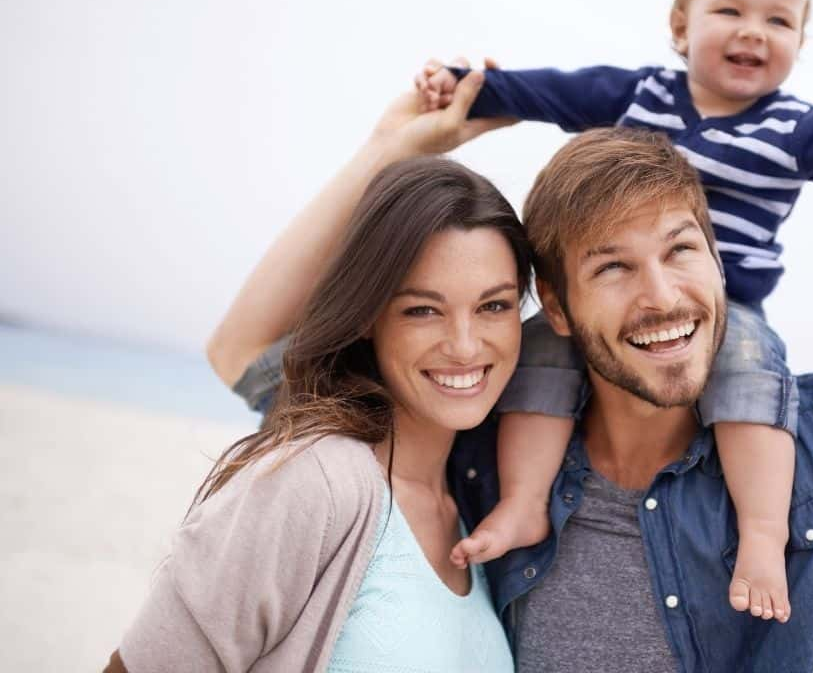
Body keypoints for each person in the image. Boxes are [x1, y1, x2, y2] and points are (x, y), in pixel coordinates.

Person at [230, 93, 813, 671]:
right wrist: (386, 152)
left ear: (719, 259)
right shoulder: (475, 431)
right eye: (611, 268)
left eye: (682, 250)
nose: (661, 297)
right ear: (554, 306)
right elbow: (253, 353)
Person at [412, 0, 813, 622]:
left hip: (730, 308)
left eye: (779, 21)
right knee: (542, 347)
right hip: (618, 305)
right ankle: (522, 504)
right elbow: (545, 91)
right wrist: (467, 88)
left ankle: (761, 535)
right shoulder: (637, 95)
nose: (754, 31)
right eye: (731, 12)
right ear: (681, 27)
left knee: (751, 377)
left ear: (800, 43)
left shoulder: (796, 129)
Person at [106, 73, 525, 673]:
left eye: (493, 305)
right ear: (367, 319)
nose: (464, 345)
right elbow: (240, 348)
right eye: (422, 309)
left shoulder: (480, 505)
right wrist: (389, 147)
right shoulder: (318, 483)